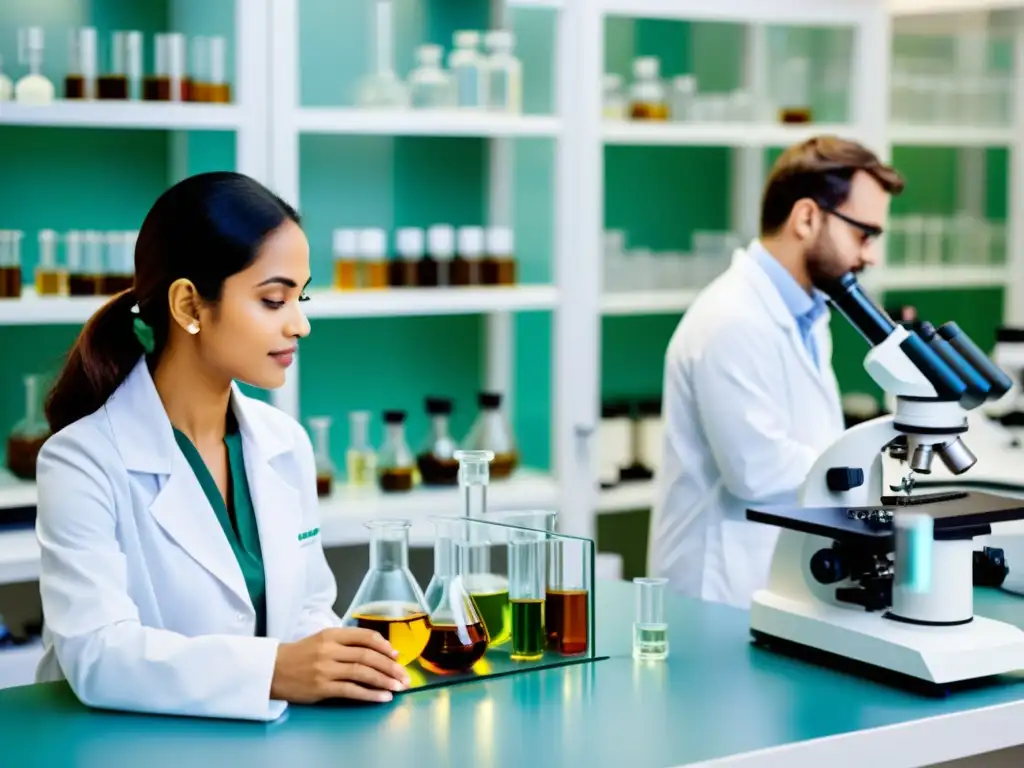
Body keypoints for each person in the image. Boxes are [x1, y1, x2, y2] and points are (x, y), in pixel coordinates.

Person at [35, 172, 409, 721]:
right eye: (274, 299)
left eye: (300, 298)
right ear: (188, 305)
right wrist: (275, 670)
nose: (300, 324)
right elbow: (97, 654)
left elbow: (306, 606)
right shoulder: (81, 462)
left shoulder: (284, 444)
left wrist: (344, 660)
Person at [647, 136, 905, 609]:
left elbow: (809, 442)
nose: (870, 257)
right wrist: (867, 472)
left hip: (776, 583)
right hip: (720, 594)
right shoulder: (731, 319)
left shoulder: (808, 315)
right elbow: (756, 470)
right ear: (807, 218)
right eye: (863, 235)